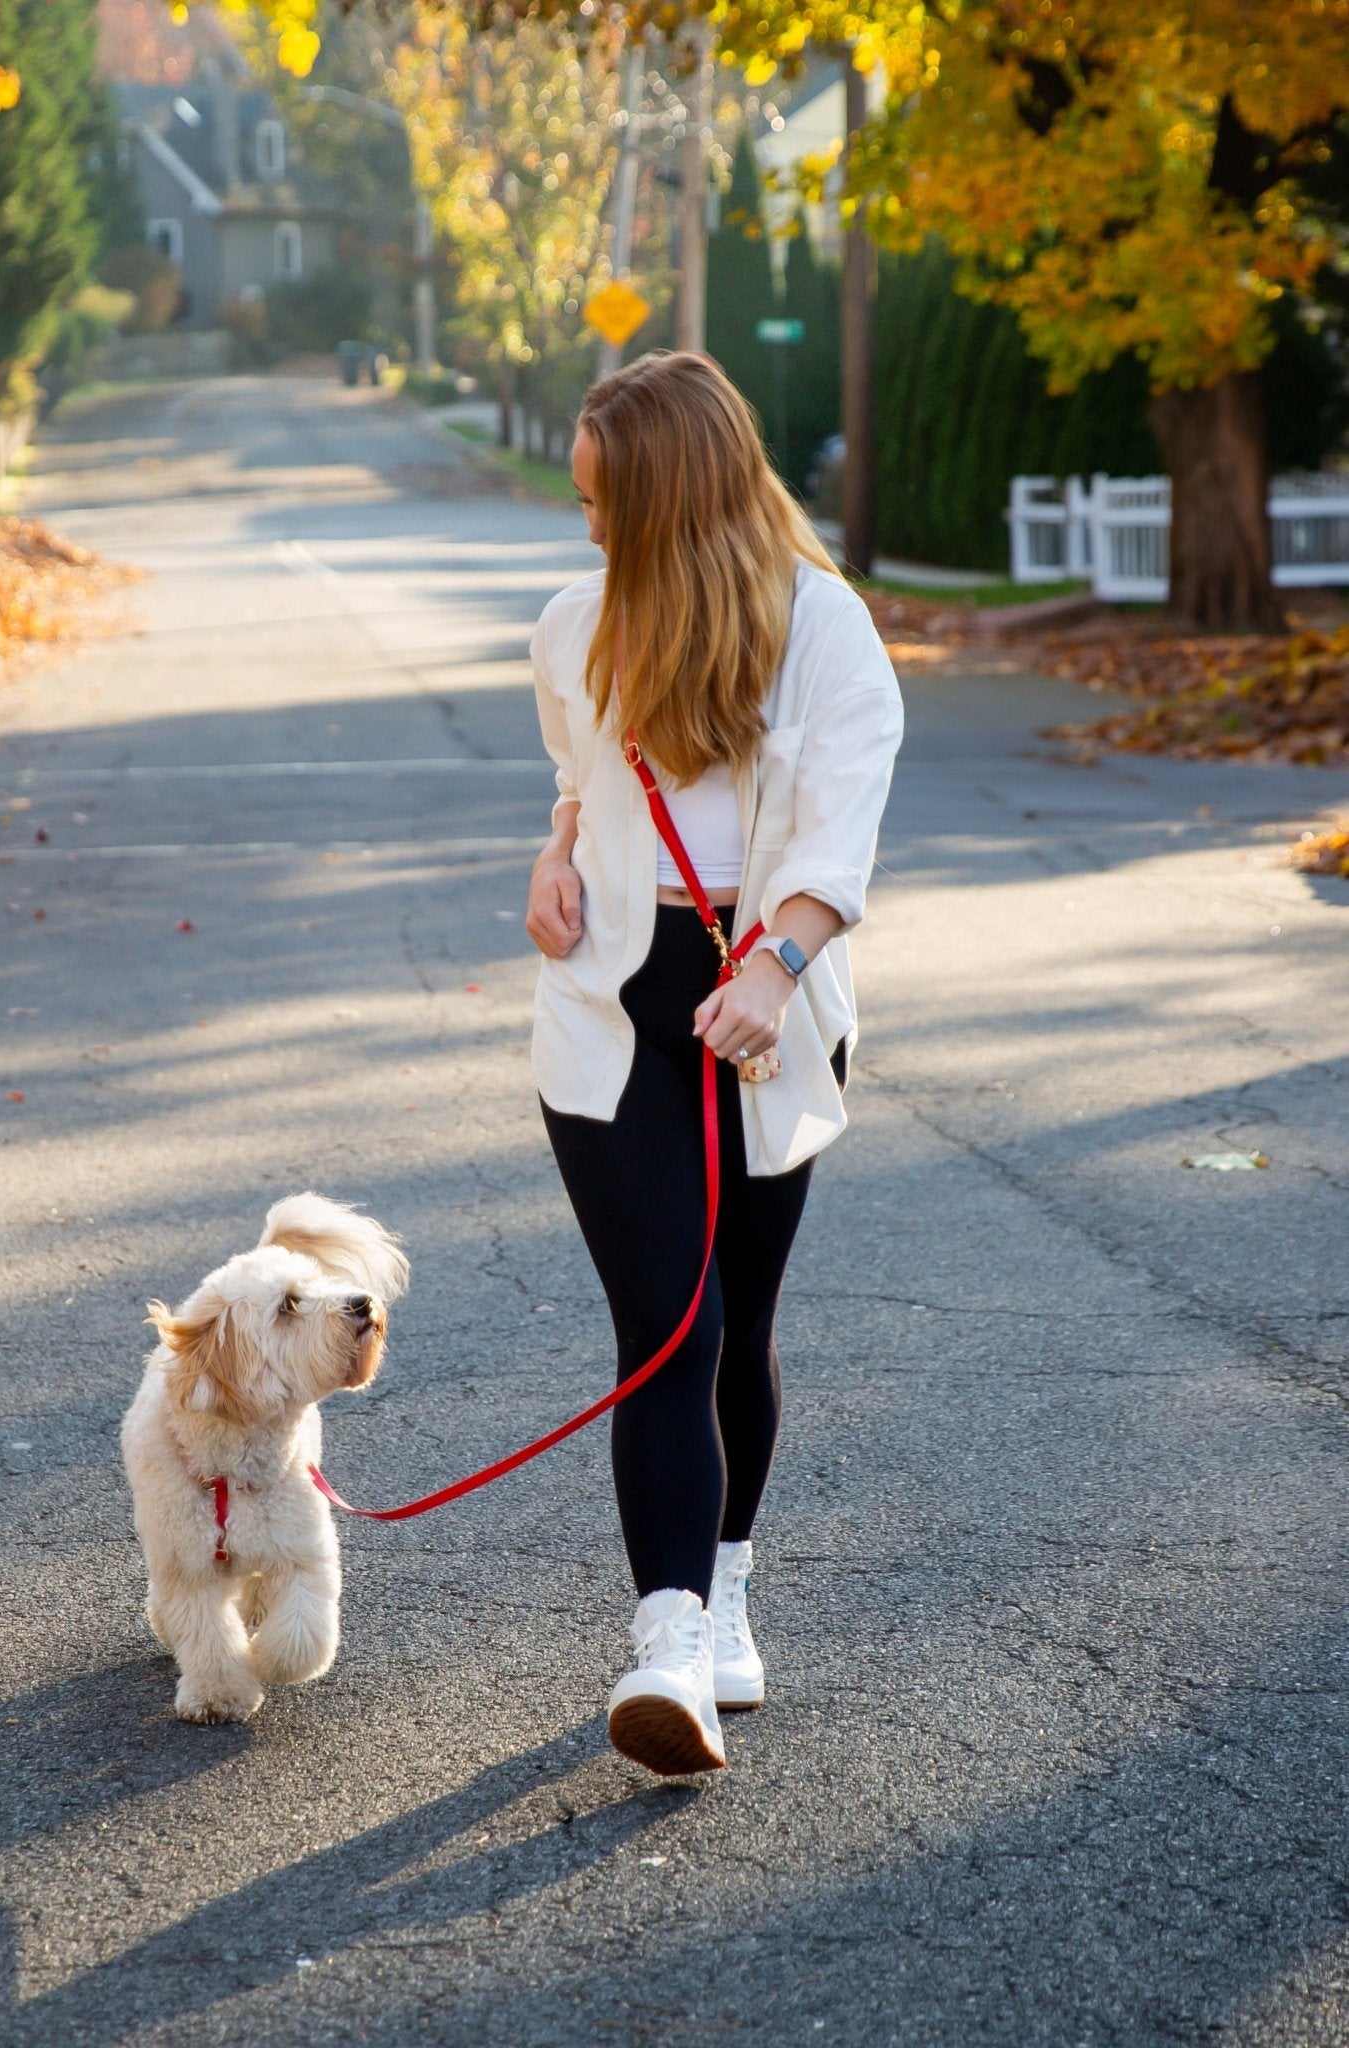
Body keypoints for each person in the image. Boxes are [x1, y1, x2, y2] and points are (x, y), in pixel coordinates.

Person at [525, 352, 903, 1777]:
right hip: (611, 1005)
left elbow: (832, 842)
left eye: (607, 504)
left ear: (677, 501)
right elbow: (576, 779)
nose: (590, 532)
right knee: (666, 1325)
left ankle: (727, 1582)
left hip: (771, 1002)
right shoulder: (576, 628)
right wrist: (554, 861)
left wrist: (775, 965)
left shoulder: (827, 633)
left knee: (741, 1317)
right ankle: (668, 1646)